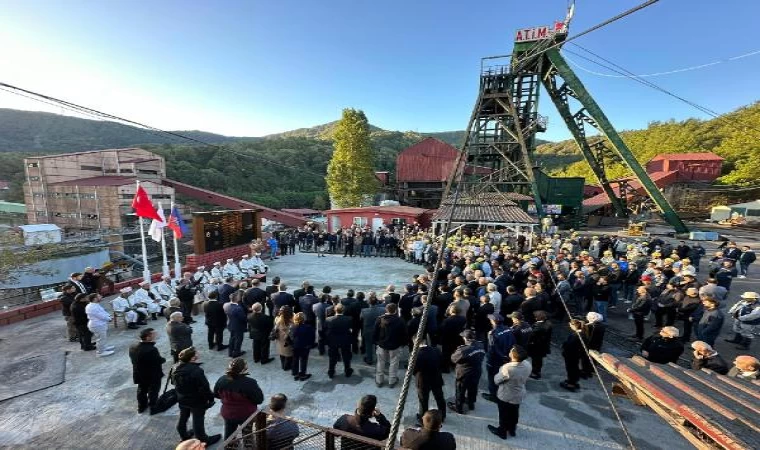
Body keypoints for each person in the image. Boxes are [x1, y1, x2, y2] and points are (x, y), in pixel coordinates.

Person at [172, 347, 221, 446]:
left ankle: (184, 435)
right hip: (196, 401)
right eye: (196, 354)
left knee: (183, 416)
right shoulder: (196, 370)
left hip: (182, 398)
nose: (198, 354)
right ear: (192, 358)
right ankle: (203, 440)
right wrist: (211, 398)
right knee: (198, 419)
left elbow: (174, 383)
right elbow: (205, 387)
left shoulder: (175, 367)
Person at [488, 345, 532, 440]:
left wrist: (501, 369)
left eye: (511, 351)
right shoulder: (527, 364)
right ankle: (512, 429)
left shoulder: (508, 368)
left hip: (506, 394)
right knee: (514, 412)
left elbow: (497, 380)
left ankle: (502, 432)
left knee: (504, 413)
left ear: (513, 356)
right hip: (519, 393)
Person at [213, 358, 264, 440]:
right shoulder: (250, 383)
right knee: (247, 435)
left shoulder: (222, 379)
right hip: (246, 415)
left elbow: (216, 394)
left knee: (229, 435)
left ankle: (229, 448)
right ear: (244, 369)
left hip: (227, 413)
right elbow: (259, 400)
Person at [448, 329, 486, 414]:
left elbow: (453, 359)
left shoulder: (463, 350)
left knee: (460, 390)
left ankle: (458, 407)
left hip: (464, 373)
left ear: (465, 338)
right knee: (473, 388)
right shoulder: (480, 345)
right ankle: (471, 403)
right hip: (477, 371)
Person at [129, 328, 166, 414]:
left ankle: (141, 407)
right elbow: (158, 360)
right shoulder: (152, 349)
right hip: (152, 374)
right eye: (153, 334)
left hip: (139, 373)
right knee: (153, 391)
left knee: (141, 390)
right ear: (148, 337)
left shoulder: (132, 346)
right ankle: (153, 407)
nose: (156, 335)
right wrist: (163, 359)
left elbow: (133, 360)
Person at [412, 341, 446, 426]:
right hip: (436, 378)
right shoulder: (436, 350)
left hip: (423, 381)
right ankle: (442, 416)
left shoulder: (417, 354)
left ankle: (423, 419)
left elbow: (413, 370)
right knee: (440, 398)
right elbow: (442, 363)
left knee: (423, 401)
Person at [374, 303, 407, 387]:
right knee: (394, 363)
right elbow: (404, 334)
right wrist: (403, 343)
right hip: (395, 345)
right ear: (396, 310)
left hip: (382, 344)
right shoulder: (400, 320)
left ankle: (379, 380)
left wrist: (376, 342)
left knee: (380, 362)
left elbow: (375, 332)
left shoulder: (380, 319)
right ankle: (392, 381)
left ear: (386, 309)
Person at [483, 313, 514, 402]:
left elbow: (492, 349)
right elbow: (513, 342)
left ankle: (493, 396)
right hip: (507, 357)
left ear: (493, 321)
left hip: (495, 360)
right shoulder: (508, 329)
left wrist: (489, 360)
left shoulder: (492, 333)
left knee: (492, 378)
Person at [326, 303, 354, 378]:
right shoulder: (349, 319)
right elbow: (351, 329)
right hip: (345, 340)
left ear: (335, 310)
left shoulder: (328, 319)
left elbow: (326, 330)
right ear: (343, 310)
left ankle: (331, 372)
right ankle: (347, 370)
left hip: (333, 341)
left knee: (332, 357)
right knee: (346, 356)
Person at [560, 319, 586, 392]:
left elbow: (570, 346)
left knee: (571, 369)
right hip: (576, 355)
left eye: (571, 325)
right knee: (574, 368)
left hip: (571, 355)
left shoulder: (576, 336)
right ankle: (572, 381)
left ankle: (571, 383)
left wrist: (564, 346)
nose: (570, 326)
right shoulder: (582, 334)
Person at [439, 306, 466, 373]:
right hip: (458, 338)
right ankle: (453, 365)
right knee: (455, 352)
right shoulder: (463, 319)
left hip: (448, 339)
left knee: (446, 354)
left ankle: (445, 368)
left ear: (451, 311)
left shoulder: (447, 320)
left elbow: (442, 329)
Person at [360, 294, 386, 365]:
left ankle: (369, 360)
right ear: (377, 302)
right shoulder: (383, 310)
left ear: (368, 302)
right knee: (378, 346)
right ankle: (379, 360)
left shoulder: (364, 311)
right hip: (379, 330)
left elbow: (361, 319)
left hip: (368, 330)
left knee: (368, 346)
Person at [289, 312, 315, 381]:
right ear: (304, 319)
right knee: (303, 360)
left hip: (295, 346)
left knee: (295, 359)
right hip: (305, 347)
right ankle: (303, 375)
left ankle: (295, 373)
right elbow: (312, 338)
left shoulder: (292, 327)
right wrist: (311, 345)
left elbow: (290, 337)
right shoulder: (308, 327)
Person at [528, 310, 552, 379]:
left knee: (536, 360)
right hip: (543, 346)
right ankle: (537, 371)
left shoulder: (539, 327)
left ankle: (535, 373)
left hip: (537, 347)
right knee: (538, 360)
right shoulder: (548, 323)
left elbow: (531, 335)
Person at [581, 312, 606, 378]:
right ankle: (592, 369)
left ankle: (586, 371)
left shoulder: (590, 326)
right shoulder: (602, 326)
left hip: (590, 344)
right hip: (597, 344)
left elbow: (587, 336)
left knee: (586, 357)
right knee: (594, 357)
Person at [225, 292, 248, 358]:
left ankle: (230, 352)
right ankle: (236, 352)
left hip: (231, 324)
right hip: (238, 326)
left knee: (232, 338)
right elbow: (243, 318)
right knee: (238, 340)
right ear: (236, 299)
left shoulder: (228, 306)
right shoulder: (238, 308)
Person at [274, 306, 295, 371]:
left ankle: (283, 366)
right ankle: (287, 367)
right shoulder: (292, 321)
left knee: (282, 353)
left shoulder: (277, 319)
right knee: (289, 355)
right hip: (288, 340)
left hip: (280, 340)